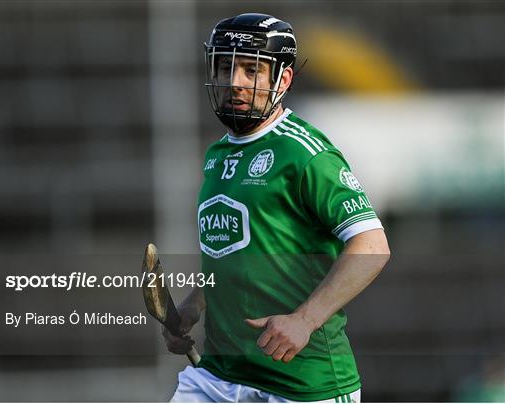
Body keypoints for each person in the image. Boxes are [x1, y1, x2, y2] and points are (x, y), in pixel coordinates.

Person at [163, 13, 390, 403]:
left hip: (304, 385)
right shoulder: (218, 154)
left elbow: (372, 246)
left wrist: (304, 320)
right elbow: (235, 250)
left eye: (252, 70)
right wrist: (194, 304)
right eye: (226, 66)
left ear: (282, 80)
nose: (235, 82)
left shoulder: (304, 153)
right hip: (220, 375)